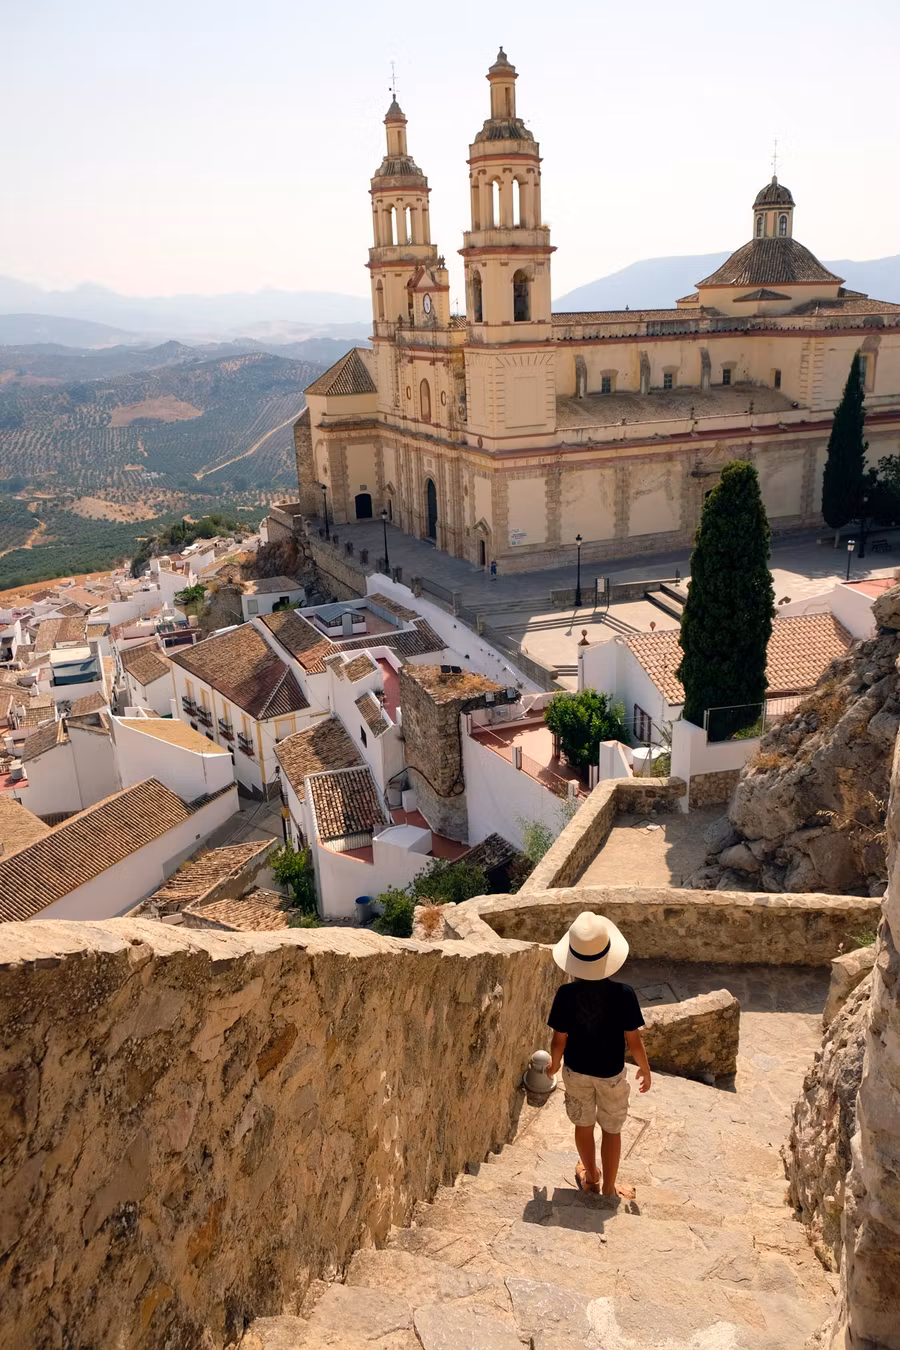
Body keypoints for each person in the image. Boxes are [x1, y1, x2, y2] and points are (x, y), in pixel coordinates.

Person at [546, 911, 651, 1200]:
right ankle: (608, 1189)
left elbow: (559, 1039)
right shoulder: (625, 994)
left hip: (577, 1071)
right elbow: (633, 1039)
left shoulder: (566, 994)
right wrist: (645, 1068)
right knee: (612, 1130)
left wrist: (554, 1064)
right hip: (612, 1075)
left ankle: (591, 1177)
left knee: (583, 1124)